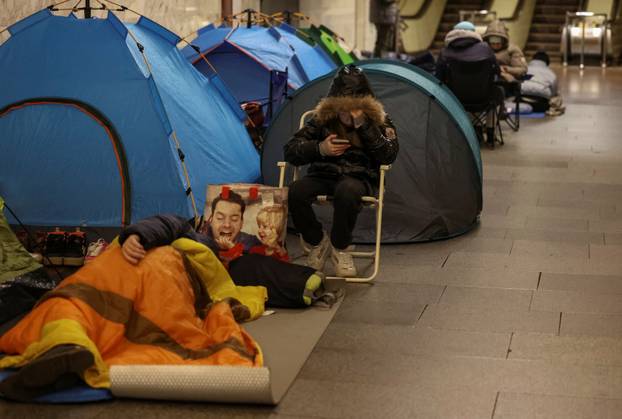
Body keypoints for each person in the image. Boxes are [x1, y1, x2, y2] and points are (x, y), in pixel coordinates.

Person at [284, 64, 399, 277]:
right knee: (296, 191)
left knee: (347, 191)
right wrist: (320, 149)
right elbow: (290, 150)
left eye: (354, 107)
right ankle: (318, 242)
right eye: (343, 107)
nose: (347, 112)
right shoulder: (322, 120)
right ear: (335, 104)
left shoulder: (379, 120)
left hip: (359, 176)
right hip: (323, 174)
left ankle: (340, 246)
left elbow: (388, 154)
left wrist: (364, 126)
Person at [435, 21, 501, 146]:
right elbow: (497, 72)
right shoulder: (486, 49)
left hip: (455, 100)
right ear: (474, 34)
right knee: (497, 94)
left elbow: (439, 78)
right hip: (484, 99)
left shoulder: (445, 52)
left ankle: (469, 133)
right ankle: (491, 133)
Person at [199, 190, 260, 266]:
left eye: (234, 219)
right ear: (211, 219)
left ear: (241, 223)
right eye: (220, 218)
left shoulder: (251, 242)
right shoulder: (199, 242)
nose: (227, 225)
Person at [520, 51, 564, 115]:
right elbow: (554, 93)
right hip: (541, 103)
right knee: (558, 96)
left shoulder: (523, 69)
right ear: (547, 63)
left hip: (520, 99)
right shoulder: (551, 73)